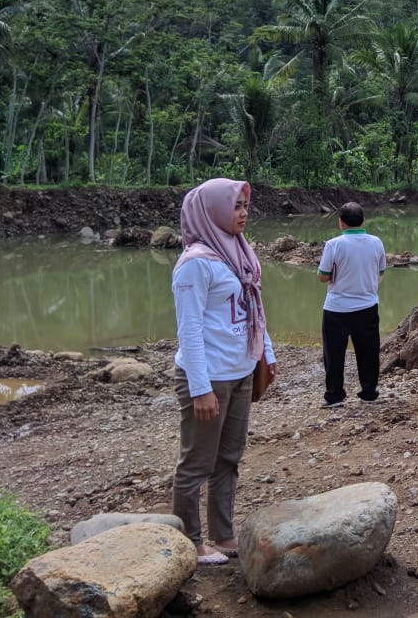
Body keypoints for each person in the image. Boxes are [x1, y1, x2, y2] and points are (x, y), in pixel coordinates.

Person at [171, 178, 277, 565]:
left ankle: (223, 533)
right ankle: (190, 541)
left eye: (245, 205)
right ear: (212, 211)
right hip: (209, 376)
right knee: (197, 462)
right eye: (235, 206)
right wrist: (200, 388)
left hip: (240, 371)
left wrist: (266, 353)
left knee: (229, 457)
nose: (243, 213)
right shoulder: (195, 263)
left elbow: (253, 307)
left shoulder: (239, 252)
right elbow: (189, 330)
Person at [317, 201, 388, 408]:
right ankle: (368, 393)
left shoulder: (334, 244)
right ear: (363, 221)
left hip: (336, 308)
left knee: (333, 353)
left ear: (341, 222)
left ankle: (334, 396)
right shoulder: (376, 242)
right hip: (367, 305)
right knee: (369, 351)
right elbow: (381, 271)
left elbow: (322, 276)